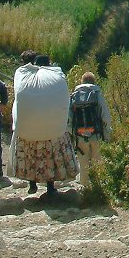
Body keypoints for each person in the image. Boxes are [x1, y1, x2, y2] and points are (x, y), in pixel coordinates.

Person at [10, 53, 78, 197]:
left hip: (28, 131)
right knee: (49, 160)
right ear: (49, 64)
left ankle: (32, 184)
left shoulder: (25, 76)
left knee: (31, 158)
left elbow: (18, 100)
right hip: (52, 131)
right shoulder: (56, 77)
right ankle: (50, 187)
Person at [69, 72, 112, 192]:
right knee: (98, 162)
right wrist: (107, 133)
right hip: (96, 134)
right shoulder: (97, 94)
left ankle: (85, 190)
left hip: (80, 136)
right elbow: (105, 116)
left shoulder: (74, 95)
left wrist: (73, 134)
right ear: (94, 81)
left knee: (83, 164)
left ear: (82, 81)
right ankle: (99, 190)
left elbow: (69, 119)